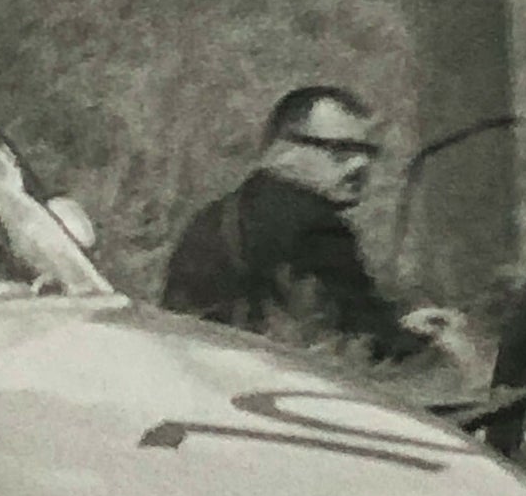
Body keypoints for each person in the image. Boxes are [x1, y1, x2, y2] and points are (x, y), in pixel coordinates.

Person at [161, 85, 436, 362]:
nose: (360, 164)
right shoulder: (317, 228)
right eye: (339, 150)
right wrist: (430, 339)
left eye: (367, 151)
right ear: (283, 150)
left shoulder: (217, 215)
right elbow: (371, 342)